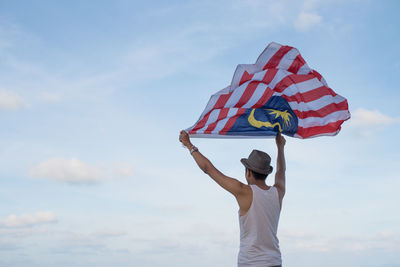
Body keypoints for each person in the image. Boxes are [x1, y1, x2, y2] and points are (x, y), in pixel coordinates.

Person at [179, 130, 286, 267]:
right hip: (274, 262)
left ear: (248, 172)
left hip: (251, 263)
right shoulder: (278, 192)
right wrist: (280, 147)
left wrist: (189, 144)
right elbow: (281, 171)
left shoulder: (244, 191)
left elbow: (209, 169)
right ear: (266, 174)